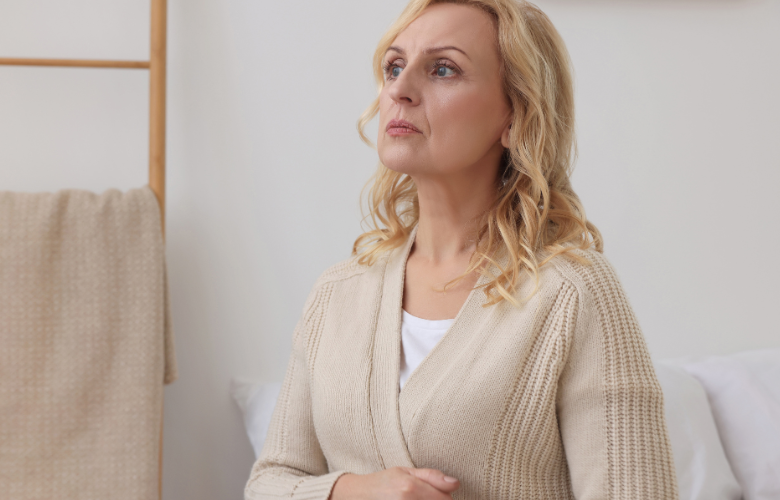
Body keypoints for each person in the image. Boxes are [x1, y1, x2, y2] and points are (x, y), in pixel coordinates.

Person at [244, 0, 678, 499]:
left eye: (443, 69)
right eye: (394, 66)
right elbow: (269, 483)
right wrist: (353, 492)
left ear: (514, 115)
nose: (400, 91)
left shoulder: (572, 295)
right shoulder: (336, 295)